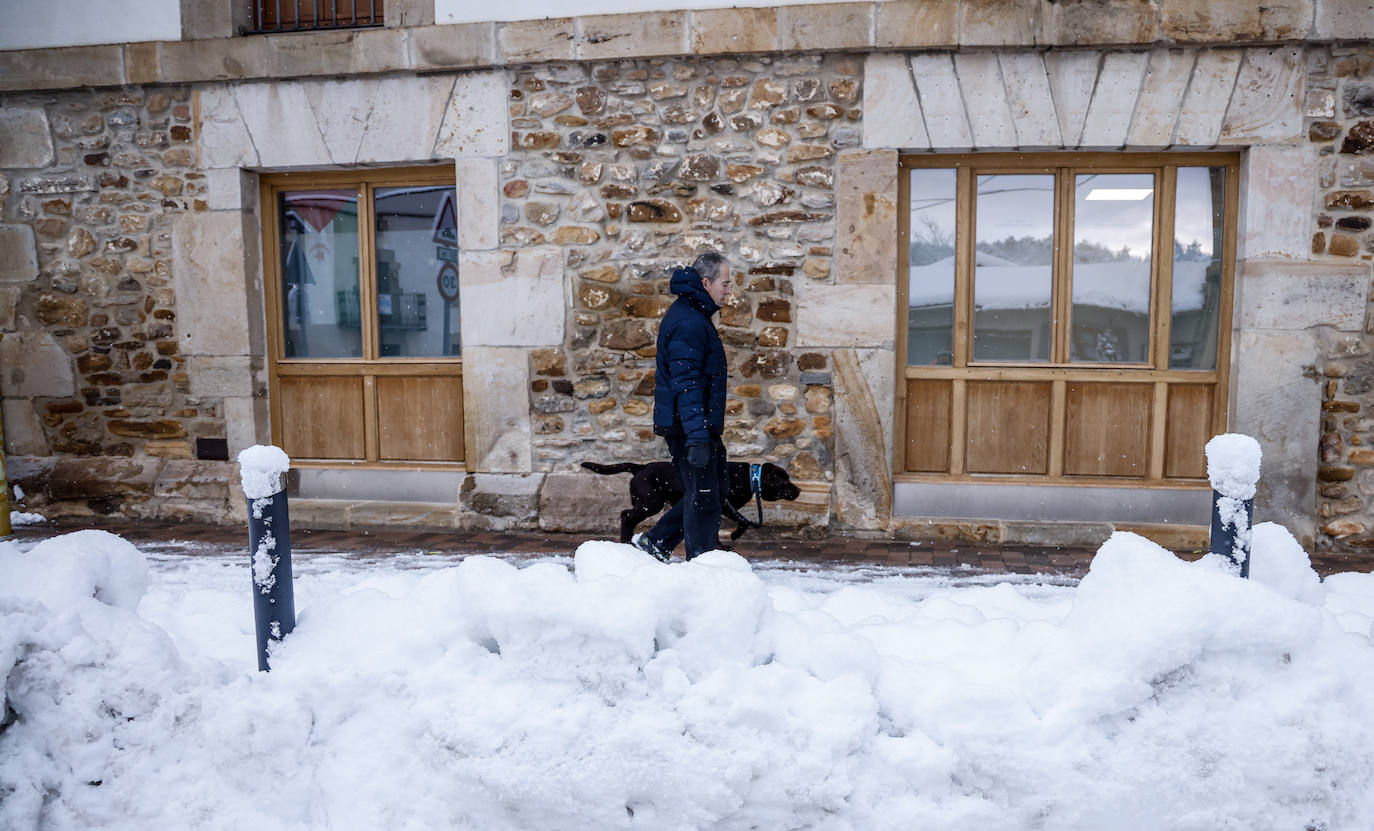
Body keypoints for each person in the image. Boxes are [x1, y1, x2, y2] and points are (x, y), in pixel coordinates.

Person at [634, 251, 733, 562]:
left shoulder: (694, 315)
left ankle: (656, 543)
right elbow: (686, 385)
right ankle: (703, 566)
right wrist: (697, 437)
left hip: (696, 424)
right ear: (706, 283)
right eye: (725, 284)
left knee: (712, 489)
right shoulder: (689, 322)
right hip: (687, 426)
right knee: (704, 496)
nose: (729, 291)